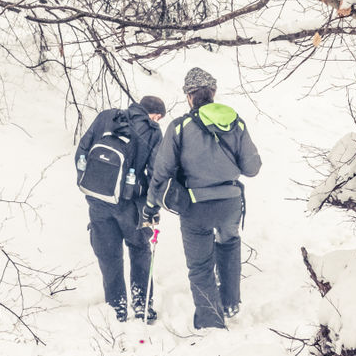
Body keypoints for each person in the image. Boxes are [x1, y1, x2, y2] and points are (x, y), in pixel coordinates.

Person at [144, 67, 261, 330]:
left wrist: (151, 206)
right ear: (214, 93)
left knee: (200, 266)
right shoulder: (236, 122)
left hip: (195, 207)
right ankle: (230, 303)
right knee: (229, 245)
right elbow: (252, 168)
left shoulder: (180, 127)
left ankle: (211, 321)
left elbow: (161, 172)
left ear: (189, 96)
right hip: (231, 203)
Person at [76, 95, 166, 323]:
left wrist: (91, 185)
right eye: (158, 117)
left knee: (109, 255)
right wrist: (152, 206)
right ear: (153, 114)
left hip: (98, 201)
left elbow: (82, 151)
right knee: (139, 249)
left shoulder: (107, 117)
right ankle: (142, 304)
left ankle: (116, 306)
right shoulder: (153, 131)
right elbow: (156, 173)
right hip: (131, 205)